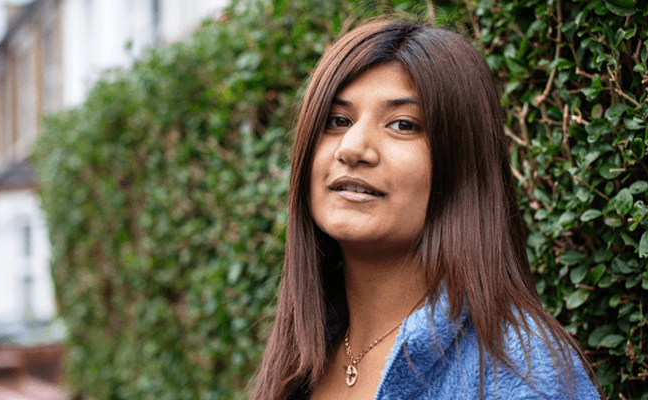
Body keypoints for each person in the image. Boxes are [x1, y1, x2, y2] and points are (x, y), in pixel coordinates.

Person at [249, 19, 603, 400]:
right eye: (338, 120)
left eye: (402, 124)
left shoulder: (520, 373)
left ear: (461, 164)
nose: (351, 148)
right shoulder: (303, 358)